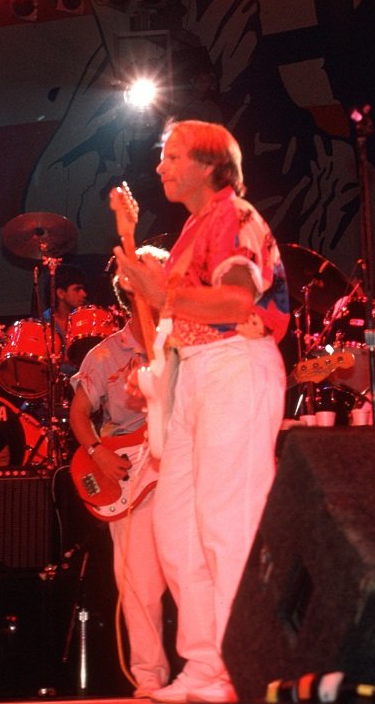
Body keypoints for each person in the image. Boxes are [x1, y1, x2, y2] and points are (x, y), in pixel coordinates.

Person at [113, 120, 289, 703]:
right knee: (178, 530)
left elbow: (238, 298)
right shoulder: (193, 227)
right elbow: (170, 315)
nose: (160, 167)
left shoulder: (235, 217)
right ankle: (208, 667)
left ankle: (245, 665)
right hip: (197, 374)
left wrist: (163, 292)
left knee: (226, 523)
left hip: (236, 365)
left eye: (171, 156)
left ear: (211, 165)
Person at [70, 247, 171, 698]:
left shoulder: (186, 341)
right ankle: (148, 679)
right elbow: (78, 413)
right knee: (139, 586)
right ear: (129, 291)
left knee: (197, 573)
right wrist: (96, 450)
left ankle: (208, 668)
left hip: (181, 461)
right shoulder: (104, 355)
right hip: (129, 474)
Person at [44, 262, 89, 345]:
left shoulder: (85, 320)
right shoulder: (43, 323)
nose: (84, 294)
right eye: (77, 289)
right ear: (61, 293)